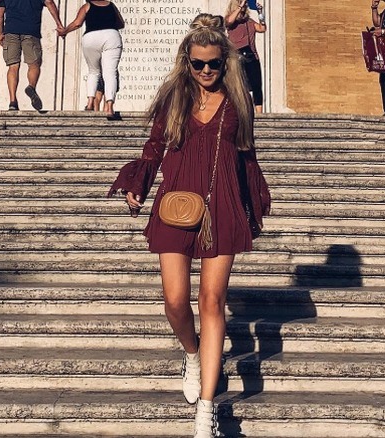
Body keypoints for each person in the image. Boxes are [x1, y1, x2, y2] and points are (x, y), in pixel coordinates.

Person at [107, 13, 270, 437]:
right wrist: (138, 183)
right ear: (187, 61)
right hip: (176, 204)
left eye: (213, 63)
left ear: (225, 61)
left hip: (223, 206)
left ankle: (206, 409)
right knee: (176, 302)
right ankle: (192, 353)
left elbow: (247, 155)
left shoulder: (238, 102)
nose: (206, 72)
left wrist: (254, 204)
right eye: (197, 64)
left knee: (212, 302)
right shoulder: (174, 98)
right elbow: (154, 147)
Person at [59, 0, 125, 120]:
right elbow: (121, 24)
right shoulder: (111, 6)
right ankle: (110, 107)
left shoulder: (87, 6)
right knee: (110, 74)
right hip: (111, 36)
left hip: (91, 37)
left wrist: (65, 31)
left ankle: (90, 103)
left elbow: (77, 23)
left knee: (93, 72)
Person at [0, 0, 65, 111]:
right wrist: (59, 24)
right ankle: (31, 87)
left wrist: (1, 32)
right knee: (34, 64)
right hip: (31, 31)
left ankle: (13, 102)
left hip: (11, 30)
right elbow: (50, 3)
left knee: (13, 67)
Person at [225, 0, 266, 113]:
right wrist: (239, 7)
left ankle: (259, 114)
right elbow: (229, 21)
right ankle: (240, 111)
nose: (244, 5)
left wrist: (260, 13)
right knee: (239, 85)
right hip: (236, 56)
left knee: (257, 85)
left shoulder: (249, 21)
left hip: (251, 55)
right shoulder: (230, 20)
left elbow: (262, 28)